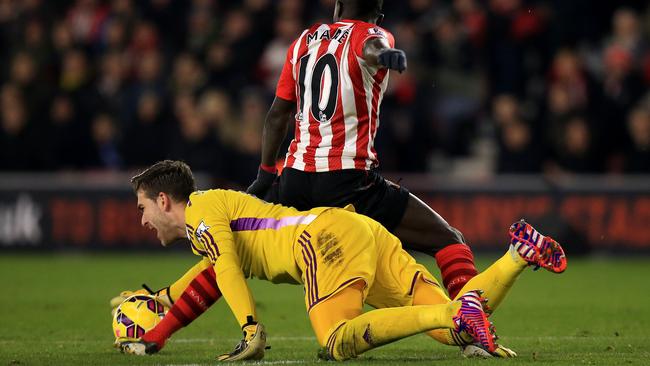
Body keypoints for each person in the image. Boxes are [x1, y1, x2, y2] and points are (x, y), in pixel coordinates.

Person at [116, 160, 567, 361]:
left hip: (323, 240)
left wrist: (251, 330)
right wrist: (158, 326)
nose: (143, 220)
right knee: (449, 333)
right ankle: (516, 256)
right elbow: (212, 274)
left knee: (336, 341)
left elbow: (227, 269)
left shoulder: (200, 211)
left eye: (142, 209)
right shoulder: (211, 223)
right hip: (360, 230)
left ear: (163, 199)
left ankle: (457, 309)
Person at [246, 0, 479, 303]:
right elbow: (371, 46)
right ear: (379, 14)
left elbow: (277, 115)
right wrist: (385, 56)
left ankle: (169, 313)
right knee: (450, 239)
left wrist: (266, 174)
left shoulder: (303, 41)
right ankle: (474, 326)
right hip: (347, 182)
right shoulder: (371, 33)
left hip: (294, 180)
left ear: (339, 5)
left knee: (240, 248)